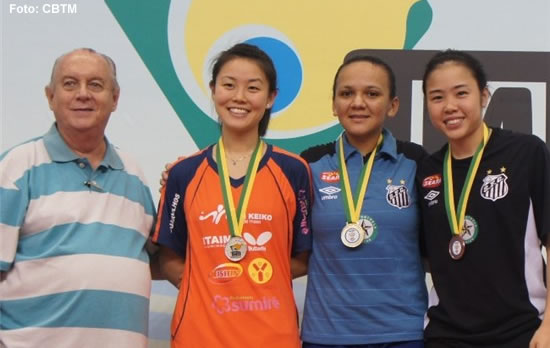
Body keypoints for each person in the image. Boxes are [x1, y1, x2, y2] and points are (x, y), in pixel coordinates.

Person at [152, 43, 312, 348]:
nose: (239, 97)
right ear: (213, 91)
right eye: (228, 85)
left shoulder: (294, 171)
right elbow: (168, 255)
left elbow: (304, 257)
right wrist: (204, 284)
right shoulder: (183, 173)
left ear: (270, 98)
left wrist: (255, 279)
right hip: (199, 335)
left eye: (253, 88)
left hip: (273, 335)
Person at [0, 48, 156, 347]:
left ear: (115, 98)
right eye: (70, 84)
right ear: (50, 97)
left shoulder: (134, 174)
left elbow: (153, 256)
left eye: (95, 85)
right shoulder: (16, 168)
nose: (83, 94)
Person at [417, 49, 550, 347]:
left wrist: (549, 326)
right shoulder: (427, 170)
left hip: (520, 331)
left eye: (461, 93)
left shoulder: (526, 153)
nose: (450, 106)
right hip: (445, 334)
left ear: (484, 95)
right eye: (437, 97)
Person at [298, 54, 428, 347]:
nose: (358, 103)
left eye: (372, 93)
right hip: (326, 335)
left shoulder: (417, 162)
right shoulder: (309, 163)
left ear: (393, 105)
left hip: (403, 334)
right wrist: (180, 174)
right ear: (334, 105)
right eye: (346, 94)